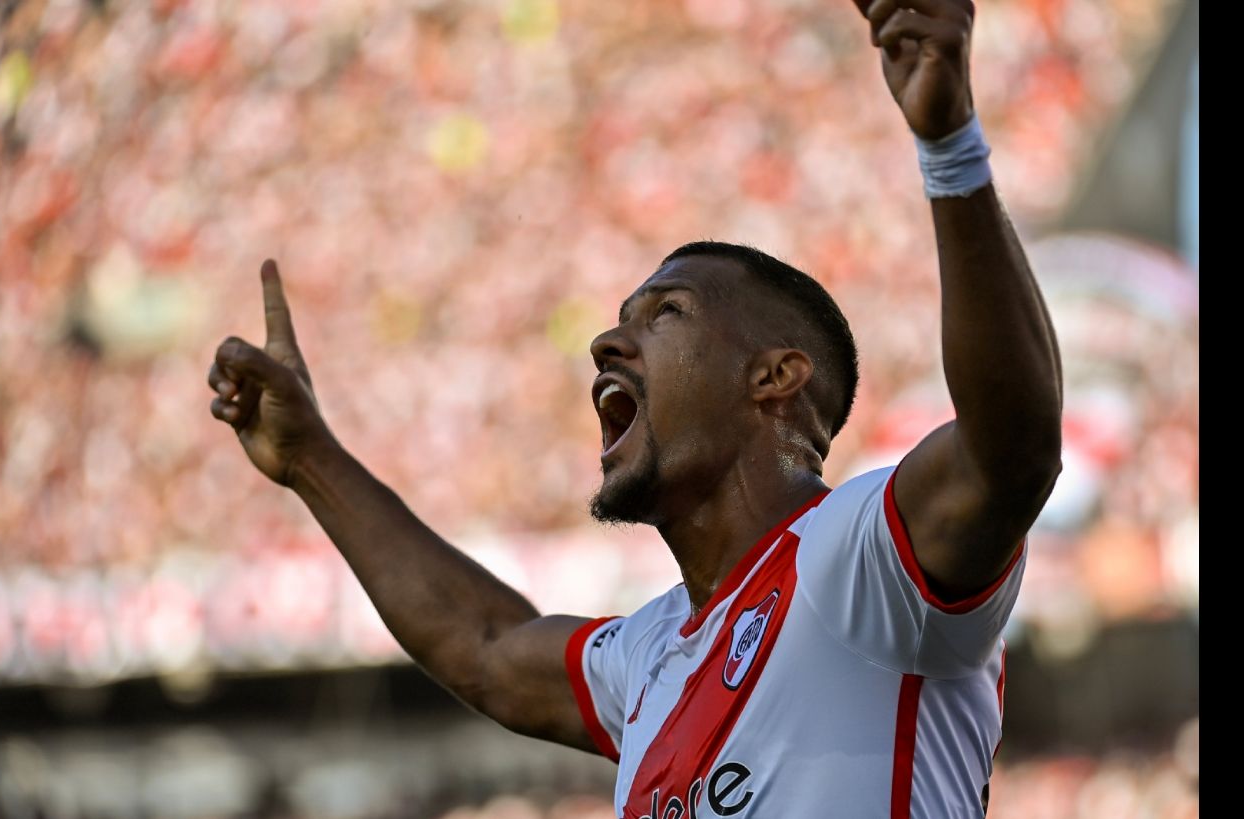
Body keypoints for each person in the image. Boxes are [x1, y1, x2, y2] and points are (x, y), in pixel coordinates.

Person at [206, 1, 1062, 815]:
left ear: (774, 378)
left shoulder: (857, 563)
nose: (606, 344)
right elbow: (486, 647)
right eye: (620, 321)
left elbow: (1012, 452)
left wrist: (950, 147)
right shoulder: (653, 656)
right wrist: (310, 457)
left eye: (666, 315)